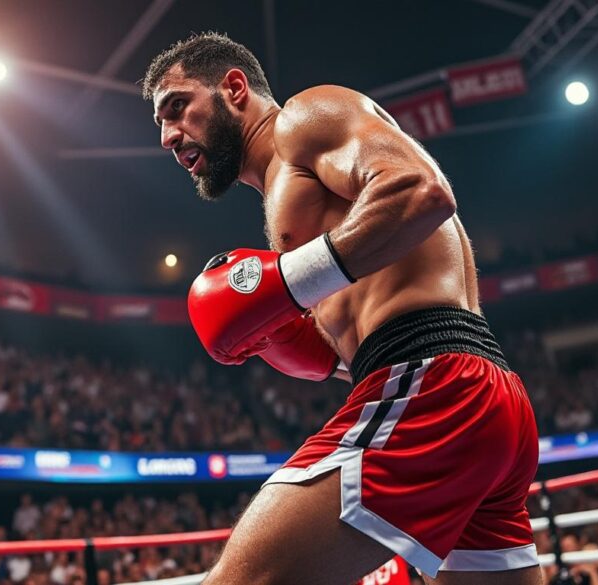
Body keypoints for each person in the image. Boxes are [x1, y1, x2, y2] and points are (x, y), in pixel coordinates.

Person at [143, 33, 544, 584]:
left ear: (234, 88)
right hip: (480, 394)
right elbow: (363, 325)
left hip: (434, 383)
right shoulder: (299, 199)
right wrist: (293, 340)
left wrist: (285, 284)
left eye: (177, 107)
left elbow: (419, 190)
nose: (168, 136)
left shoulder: (304, 119)